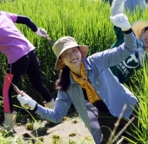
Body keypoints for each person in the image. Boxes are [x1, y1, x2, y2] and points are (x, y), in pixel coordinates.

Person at [17, 13, 141, 143]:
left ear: (80, 52)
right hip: (105, 119)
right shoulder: (66, 86)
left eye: (74, 51)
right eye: (66, 54)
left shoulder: (97, 61)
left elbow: (128, 48)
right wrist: (34, 105)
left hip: (127, 107)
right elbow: (57, 116)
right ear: (62, 61)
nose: (72, 56)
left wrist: (126, 28)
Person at [0, 1, 54, 130]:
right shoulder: (1, 14)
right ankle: (53, 112)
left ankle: (8, 126)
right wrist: (37, 31)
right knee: (37, 83)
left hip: (17, 58)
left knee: (6, 92)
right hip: (31, 51)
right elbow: (26, 19)